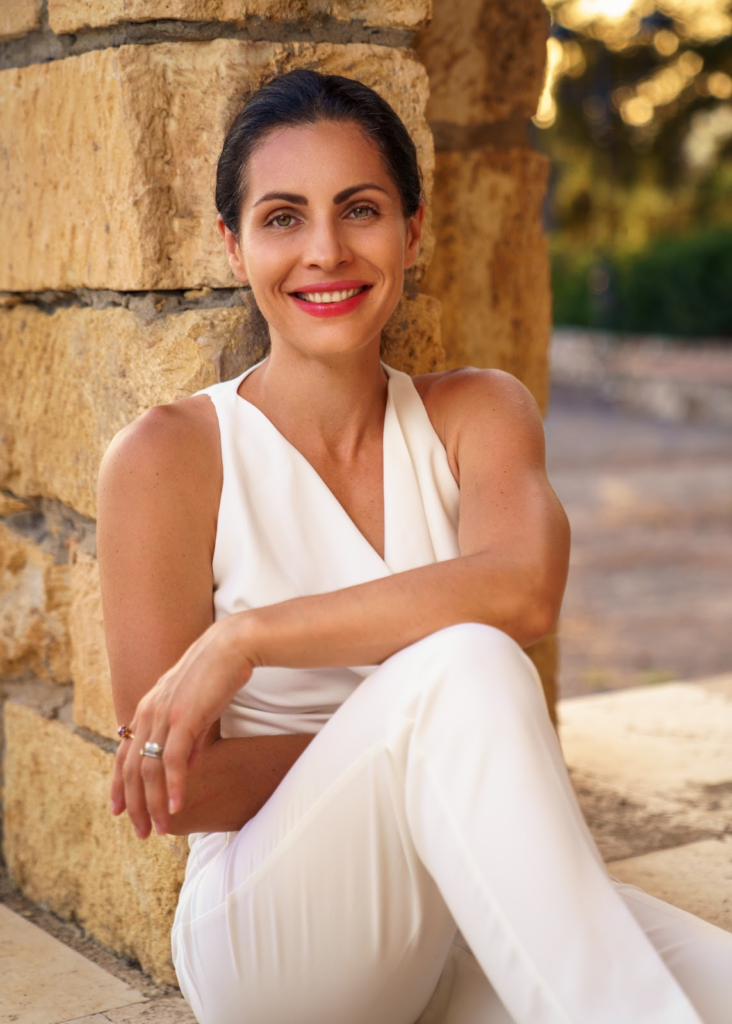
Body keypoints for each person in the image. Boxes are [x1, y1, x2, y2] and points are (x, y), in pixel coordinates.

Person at [98, 70, 731, 1024]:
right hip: (274, 935)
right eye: (282, 218)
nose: (325, 251)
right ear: (234, 246)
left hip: (456, 887)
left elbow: (524, 589)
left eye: (361, 210)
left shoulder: (478, 411)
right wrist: (421, 770)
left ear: (413, 230)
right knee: (467, 667)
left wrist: (248, 637)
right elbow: (170, 792)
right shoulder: (169, 455)